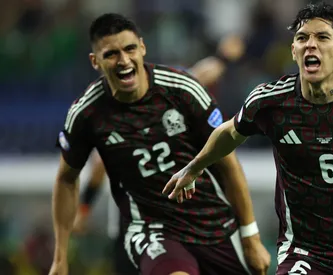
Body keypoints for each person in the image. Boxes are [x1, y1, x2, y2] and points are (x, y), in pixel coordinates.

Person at [163, 2, 333, 275]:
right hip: (305, 254)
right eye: (302, 38)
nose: (310, 45)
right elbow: (229, 133)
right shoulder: (270, 102)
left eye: (322, 37)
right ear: (293, 50)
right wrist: (194, 167)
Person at [49, 13, 270, 275]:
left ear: (142, 47)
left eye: (130, 48)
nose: (123, 61)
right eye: (111, 54)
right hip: (150, 229)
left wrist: (251, 235)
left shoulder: (182, 88)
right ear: (94, 61)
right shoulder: (88, 113)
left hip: (212, 224)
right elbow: (67, 177)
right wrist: (60, 257)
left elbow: (229, 164)